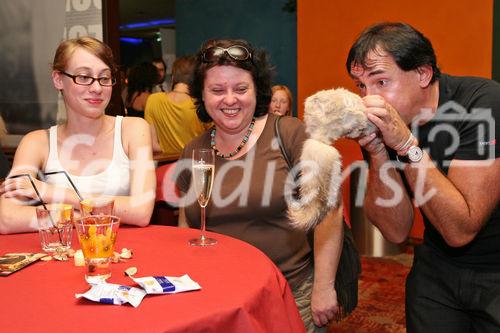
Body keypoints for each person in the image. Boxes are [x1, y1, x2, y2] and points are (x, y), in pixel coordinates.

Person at [176, 39, 343, 332]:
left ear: (258, 90)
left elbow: (329, 211)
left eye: (241, 89)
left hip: (288, 292)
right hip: (218, 296)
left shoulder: (291, 134)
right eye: (217, 90)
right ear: (202, 96)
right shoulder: (194, 150)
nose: (230, 100)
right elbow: (187, 224)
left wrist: (324, 287)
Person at [347, 22, 500, 332]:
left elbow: (461, 229)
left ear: (423, 74)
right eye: (361, 86)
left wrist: (406, 146)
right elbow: (394, 230)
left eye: (381, 81)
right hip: (435, 267)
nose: (368, 98)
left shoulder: (483, 104)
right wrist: (378, 152)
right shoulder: (384, 125)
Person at [0, 36, 156, 234]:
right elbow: (6, 219)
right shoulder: (36, 142)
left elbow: (141, 211)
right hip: (64, 257)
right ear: (58, 79)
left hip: (127, 255)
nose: (97, 88)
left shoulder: (133, 129)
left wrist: (50, 192)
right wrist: (86, 217)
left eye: (104, 78)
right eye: (83, 77)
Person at [145, 55, 208, 155]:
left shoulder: (153, 100)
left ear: (173, 77)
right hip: (195, 163)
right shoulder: (200, 105)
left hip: (166, 166)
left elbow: (154, 146)